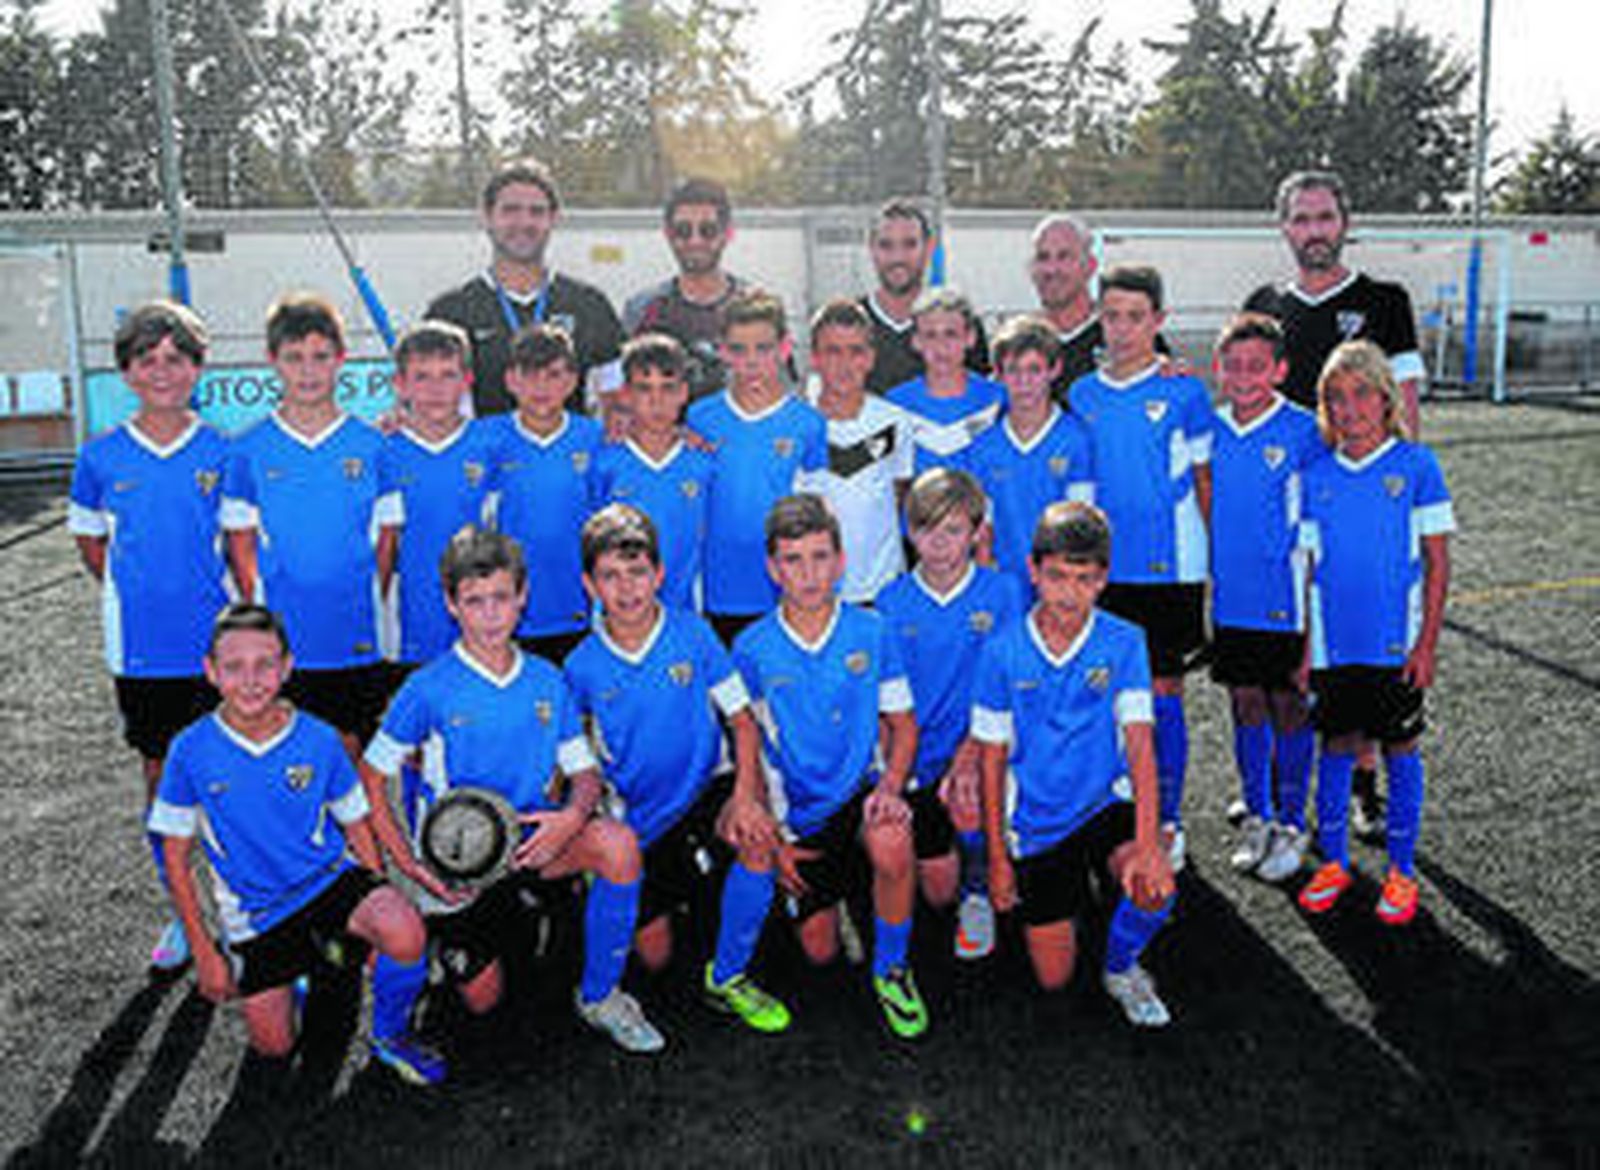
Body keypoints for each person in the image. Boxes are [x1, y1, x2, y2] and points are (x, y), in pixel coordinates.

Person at [360, 527, 663, 1084]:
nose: (490, 614)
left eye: (502, 597)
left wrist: (571, 817)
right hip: (458, 867)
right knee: (483, 1004)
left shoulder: (547, 681)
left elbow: (585, 775)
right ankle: (420, 970)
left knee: (617, 846)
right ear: (451, 604)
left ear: (523, 596)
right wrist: (407, 866)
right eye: (474, 601)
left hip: (531, 844)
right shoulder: (427, 688)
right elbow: (372, 777)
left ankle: (599, 995)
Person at [147, 604, 428, 1061]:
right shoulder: (189, 751)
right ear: (211, 672)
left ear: (287, 667)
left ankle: (390, 1033)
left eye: (265, 664)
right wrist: (203, 951)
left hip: (327, 881)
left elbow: (356, 823)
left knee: (404, 929)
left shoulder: (319, 738)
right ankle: (306, 966)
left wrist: (379, 893)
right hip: (256, 913)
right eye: (234, 667)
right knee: (275, 1049)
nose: (251, 679)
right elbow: (176, 858)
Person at [1244, 170, 1429, 839]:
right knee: (1283, 646)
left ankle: (1363, 787)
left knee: (1362, 646)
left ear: (1344, 223)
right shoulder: (1265, 303)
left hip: (1361, 503)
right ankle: (1276, 784)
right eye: (1301, 219)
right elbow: (1244, 388)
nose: (1314, 231)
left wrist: (1397, 491)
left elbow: (1405, 405)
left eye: (1325, 218)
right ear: (1283, 226)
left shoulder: (1384, 300)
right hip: (1281, 506)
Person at [565, 505, 791, 1033]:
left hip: (705, 795)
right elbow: (572, 762)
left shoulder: (695, 635)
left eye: (638, 572)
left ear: (660, 573)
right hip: (639, 820)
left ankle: (728, 975)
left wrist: (744, 795)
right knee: (657, 958)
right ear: (589, 583)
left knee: (756, 836)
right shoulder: (580, 665)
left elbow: (743, 723)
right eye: (610, 576)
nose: (627, 589)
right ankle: (629, 900)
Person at [68, 301, 229, 975]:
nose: (162, 372)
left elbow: (242, 545)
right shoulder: (100, 456)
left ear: (197, 367)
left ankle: (250, 908)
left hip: (219, 652)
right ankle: (181, 911)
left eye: (176, 358)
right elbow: (92, 545)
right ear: (127, 371)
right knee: (165, 782)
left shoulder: (225, 450)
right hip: (143, 653)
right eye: (147, 360)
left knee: (231, 781)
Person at [972, 502, 1177, 1027]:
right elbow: (991, 761)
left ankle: (1120, 964)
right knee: (1053, 978)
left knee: (1156, 887)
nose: (1069, 592)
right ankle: (1068, 901)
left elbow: (1140, 746)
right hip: (1038, 821)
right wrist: (997, 857)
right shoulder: (1001, 651)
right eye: (1057, 576)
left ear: (1103, 579)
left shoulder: (1125, 641)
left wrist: (1151, 844)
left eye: (1084, 578)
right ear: (1033, 571)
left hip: (1106, 804)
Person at [733, 494, 928, 1039]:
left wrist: (891, 786)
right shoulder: (751, 648)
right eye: (793, 560)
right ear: (773, 569)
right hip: (798, 818)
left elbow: (904, 725)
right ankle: (843, 895)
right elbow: (750, 754)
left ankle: (892, 967)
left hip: (860, 795)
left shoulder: (873, 630)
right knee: (818, 954)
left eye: (820, 557)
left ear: (841, 561)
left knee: (892, 838)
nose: (809, 574)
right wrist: (774, 839)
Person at [1295, 341, 1454, 927]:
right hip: (1336, 648)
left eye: (1362, 393)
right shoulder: (1315, 476)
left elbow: (1438, 564)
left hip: (1395, 644)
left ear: (1386, 400)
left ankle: (1401, 871)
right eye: (1336, 397)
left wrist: (1426, 643)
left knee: (1399, 749)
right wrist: (1308, 649)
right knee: (1335, 749)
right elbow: (1309, 569)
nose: (1349, 406)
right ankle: (1334, 863)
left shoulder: (1417, 466)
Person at [1067, 266, 1213, 870]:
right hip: (1101, 572)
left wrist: (1217, 566)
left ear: (1158, 321)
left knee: (1161, 695)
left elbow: (1205, 480)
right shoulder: (1082, 394)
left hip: (1169, 568)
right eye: (1113, 315)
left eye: (1136, 316)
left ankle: (1169, 819)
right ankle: (1112, 809)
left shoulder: (1185, 391)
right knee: (1105, 696)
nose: (1123, 328)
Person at [222, 293, 399, 756]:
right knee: (288, 754)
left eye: (320, 357)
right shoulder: (248, 449)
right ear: (272, 362)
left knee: (351, 752)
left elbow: (386, 539)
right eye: (294, 358)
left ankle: (360, 834)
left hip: (353, 631)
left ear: (341, 359)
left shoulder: (372, 445)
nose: (308, 371)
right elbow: (240, 544)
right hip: (285, 635)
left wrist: (363, 594)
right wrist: (262, 611)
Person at [876, 469, 1023, 961]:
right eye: (927, 529)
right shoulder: (891, 601)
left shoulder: (1003, 593)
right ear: (908, 531)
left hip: (985, 745)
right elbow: (889, 708)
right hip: (918, 754)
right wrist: (894, 772)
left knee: (970, 800)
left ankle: (979, 887)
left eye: (954, 530)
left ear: (978, 532)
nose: (939, 544)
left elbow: (1007, 692)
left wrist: (970, 756)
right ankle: (951, 854)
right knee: (934, 891)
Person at [1207, 314, 1324, 882]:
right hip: (1232, 598)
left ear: (1279, 370)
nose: (1245, 375)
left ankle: (1290, 823)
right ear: (1219, 369)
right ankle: (1258, 811)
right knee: (1244, 702)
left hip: (1287, 597)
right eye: (1234, 365)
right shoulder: (1211, 428)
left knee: (1289, 704)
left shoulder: (1304, 430)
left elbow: (1318, 524)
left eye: (1258, 366)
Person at [425, 157, 624, 419]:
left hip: (566, 458)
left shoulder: (590, 305)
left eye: (536, 211)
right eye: (510, 210)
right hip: (487, 459)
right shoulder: (450, 312)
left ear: (553, 219)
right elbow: (424, 405)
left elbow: (617, 407)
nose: (524, 222)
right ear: (487, 217)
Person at [686, 290, 827, 645]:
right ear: (721, 351)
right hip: (718, 588)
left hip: (784, 588)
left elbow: (818, 512)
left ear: (784, 348)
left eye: (763, 349)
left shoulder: (808, 423)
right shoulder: (700, 418)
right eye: (738, 349)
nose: (751, 361)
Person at [380, 320, 500, 669]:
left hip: (480, 619)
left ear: (467, 381)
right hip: (406, 622)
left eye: (447, 375)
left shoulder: (491, 445)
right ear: (400, 385)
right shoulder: (381, 450)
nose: (436, 389)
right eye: (422, 377)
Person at [480, 323, 602, 665]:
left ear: (573, 380)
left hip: (580, 608)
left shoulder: (596, 438)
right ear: (510, 380)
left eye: (553, 374)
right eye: (530, 375)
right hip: (509, 612)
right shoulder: (484, 438)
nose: (541, 387)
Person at [960, 315, 1095, 596]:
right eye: (1013, 370)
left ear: (1054, 369)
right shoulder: (984, 446)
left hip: (1059, 585)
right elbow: (983, 531)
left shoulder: (1075, 438)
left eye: (1034, 370)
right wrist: (985, 586)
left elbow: (1081, 526)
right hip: (1004, 586)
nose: (1024, 382)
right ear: (998, 374)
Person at [592, 334, 716, 612]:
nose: (656, 401)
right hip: (620, 612)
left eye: (668, 389)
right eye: (644, 389)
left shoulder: (703, 463)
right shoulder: (604, 462)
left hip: (683, 610)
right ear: (625, 393)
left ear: (684, 392)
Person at [804, 298, 914, 604]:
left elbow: (897, 494)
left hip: (882, 589)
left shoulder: (894, 422)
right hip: (814, 592)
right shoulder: (795, 424)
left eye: (856, 351)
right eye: (833, 351)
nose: (845, 364)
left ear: (870, 358)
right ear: (814, 358)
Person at [622, 177, 749, 403]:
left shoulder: (753, 307)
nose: (695, 240)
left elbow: (781, 394)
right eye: (683, 230)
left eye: (708, 230)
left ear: (727, 234)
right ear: (668, 235)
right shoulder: (641, 309)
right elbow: (625, 396)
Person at [1027, 214, 1168, 403]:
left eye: (1064, 257)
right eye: (1043, 257)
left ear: (1090, 266)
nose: (1052, 270)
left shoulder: (1128, 334)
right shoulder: (1021, 340)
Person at [859, 198, 989, 396]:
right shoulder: (851, 323)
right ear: (871, 249)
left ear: (929, 248)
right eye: (886, 245)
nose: (897, 257)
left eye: (909, 244)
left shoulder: (960, 323)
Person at [886, 287, 1006, 477]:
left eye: (951, 334)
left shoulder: (998, 399)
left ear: (970, 337)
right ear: (916, 341)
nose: (941, 346)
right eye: (930, 335)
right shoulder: (895, 404)